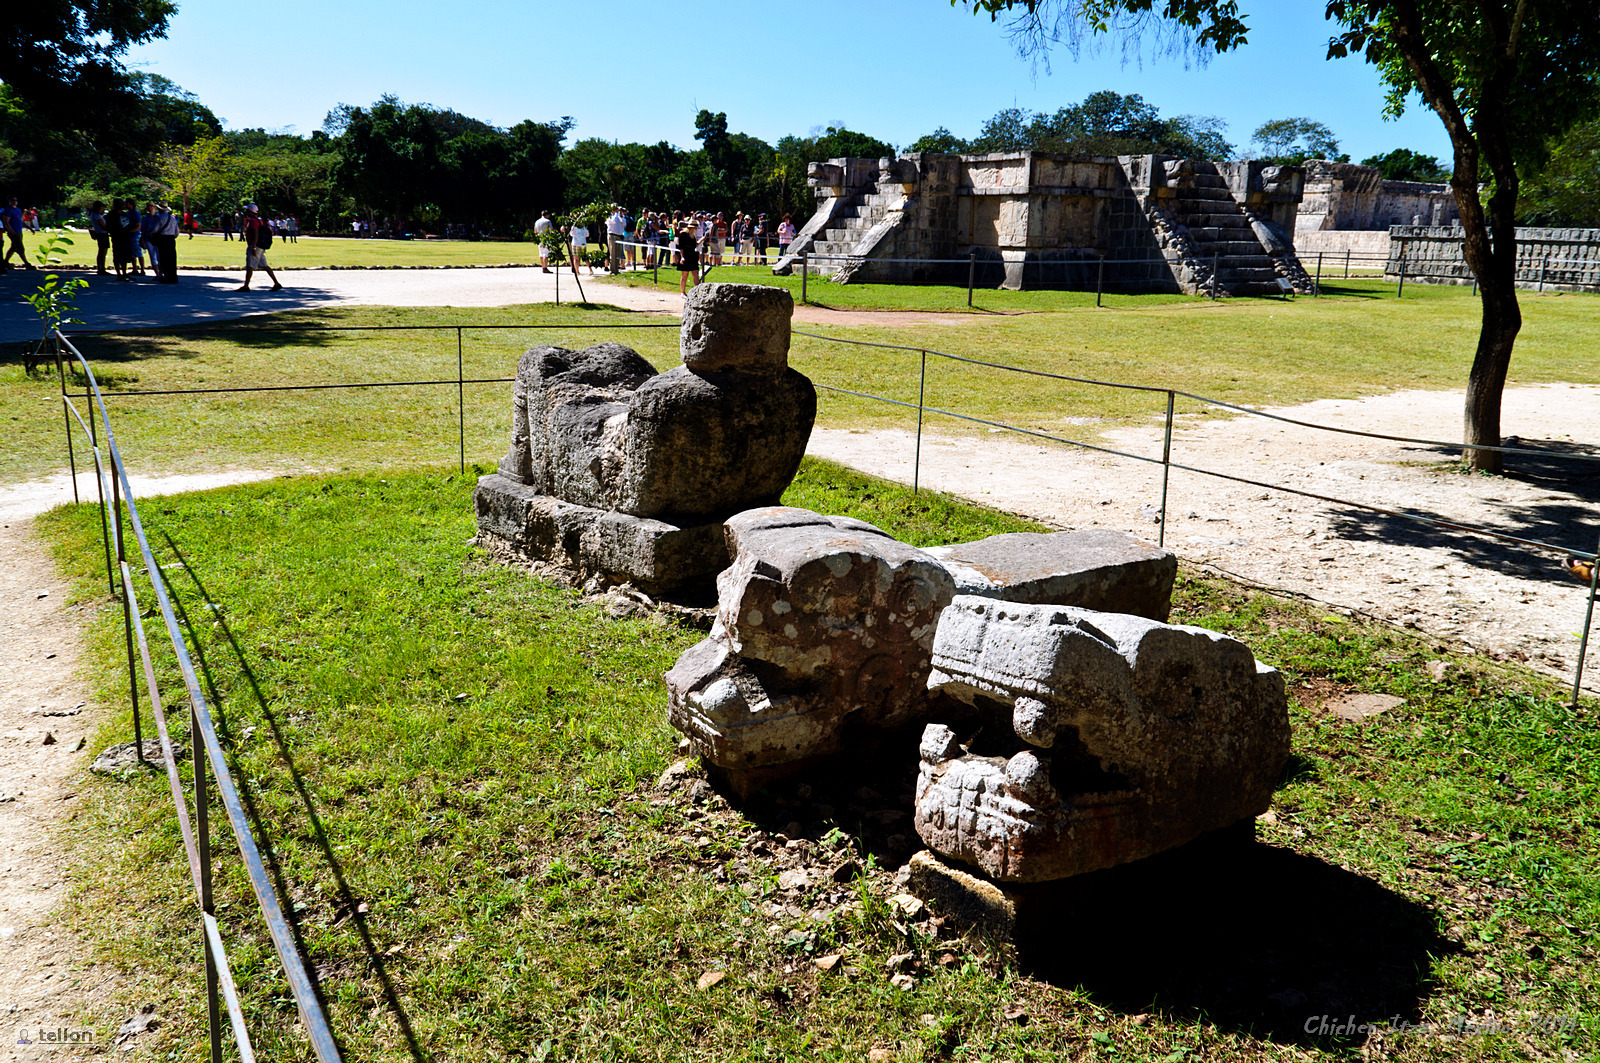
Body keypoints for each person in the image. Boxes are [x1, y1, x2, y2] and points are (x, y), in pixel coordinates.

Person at [237, 204, 283, 291]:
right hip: (259, 246)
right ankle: (276, 283)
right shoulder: (256, 220)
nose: (246, 212)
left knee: (250, 266)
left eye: (247, 210)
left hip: (255, 246)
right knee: (264, 265)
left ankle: (246, 286)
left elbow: (256, 233)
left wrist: (254, 247)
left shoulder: (253, 221)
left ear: (250, 211)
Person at [150, 202, 180, 283]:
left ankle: (166, 276)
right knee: (172, 258)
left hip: (162, 238)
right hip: (171, 239)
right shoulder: (172, 218)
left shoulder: (158, 217)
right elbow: (177, 231)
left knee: (163, 258)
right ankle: (173, 276)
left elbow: (155, 229)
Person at [1, 197, 33, 269]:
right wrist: (11, 231)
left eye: (16, 200)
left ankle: (5, 262)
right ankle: (27, 263)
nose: (15, 202)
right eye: (13, 200)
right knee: (20, 247)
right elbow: (6, 221)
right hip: (13, 231)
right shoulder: (8, 210)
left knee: (14, 247)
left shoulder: (18, 210)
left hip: (19, 231)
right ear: (10, 201)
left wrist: (29, 228)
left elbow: (20, 220)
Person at [676, 221, 700, 294]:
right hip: (686, 255)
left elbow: (694, 245)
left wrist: (702, 240)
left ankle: (697, 292)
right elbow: (681, 247)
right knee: (685, 275)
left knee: (695, 274)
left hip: (692, 255)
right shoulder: (683, 235)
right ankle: (683, 292)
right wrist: (682, 257)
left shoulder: (693, 236)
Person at [88, 201, 110, 274]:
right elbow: (103, 226)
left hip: (99, 233)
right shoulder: (97, 216)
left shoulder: (93, 215)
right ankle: (102, 268)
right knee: (103, 252)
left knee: (101, 251)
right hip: (102, 234)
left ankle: (100, 267)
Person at [605, 205, 627, 274]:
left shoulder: (619, 217)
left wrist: (621, 214)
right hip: (612, 235)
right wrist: (616, 213)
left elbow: (624, 223)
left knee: (618, 254)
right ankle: (612, 270)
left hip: (619, 236)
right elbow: (613, 222)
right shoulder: (610, 216)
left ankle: (616, 269)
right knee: (613, 253)